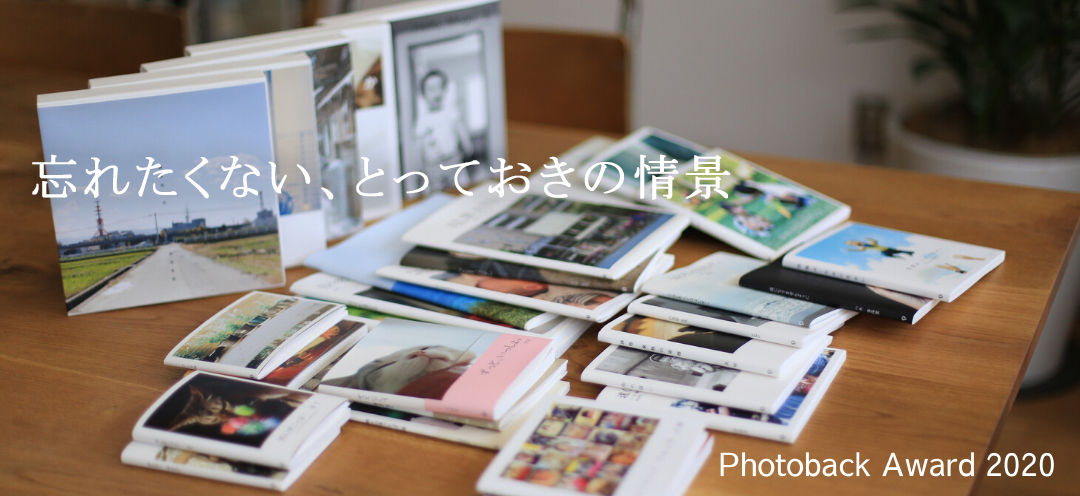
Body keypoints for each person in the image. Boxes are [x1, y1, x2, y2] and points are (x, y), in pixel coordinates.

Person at [414, 70, 473, 190]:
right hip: (433, 164)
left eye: (440, 88)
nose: (436, 93)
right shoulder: (423, 119)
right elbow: (419, 143)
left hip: (453, 159)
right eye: (431, 89)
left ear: (445, 90)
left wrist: (467, 145)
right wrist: (419, 164)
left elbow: (461, 129)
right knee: (437, 191)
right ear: (424, 94)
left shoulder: (451, 112)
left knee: (461, 186)